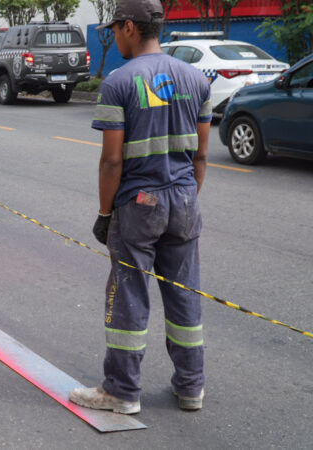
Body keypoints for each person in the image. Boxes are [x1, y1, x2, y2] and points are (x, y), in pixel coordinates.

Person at [68, 0, 211, 414]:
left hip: (138, 204)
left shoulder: (118, 82)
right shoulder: (196, 79)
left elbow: (113, 160)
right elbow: (200, 157)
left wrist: (105, 214)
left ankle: (122, 391)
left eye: (115, 30)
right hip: (184, 199)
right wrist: (184, 200)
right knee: (184, 296)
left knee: (129, 294)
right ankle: (190, 388)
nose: (114, 37)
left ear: (130, 27)